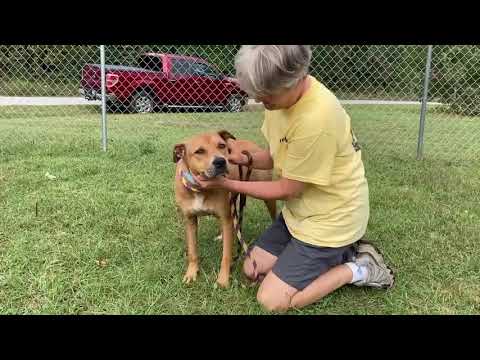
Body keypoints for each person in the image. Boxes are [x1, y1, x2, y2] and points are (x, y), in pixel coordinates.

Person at [194, 45, 394, 312]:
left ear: (295, 79)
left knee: (272, 301)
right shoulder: (280, 99)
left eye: (266, 95)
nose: (261, 101)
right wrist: (249, 160)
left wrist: (226, 184)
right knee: (251, 270)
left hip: (331, 221)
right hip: (300, 215)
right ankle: (332, 255)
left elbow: (287, 188)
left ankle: (359, 267)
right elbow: (280, 155)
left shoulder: (317, 119)